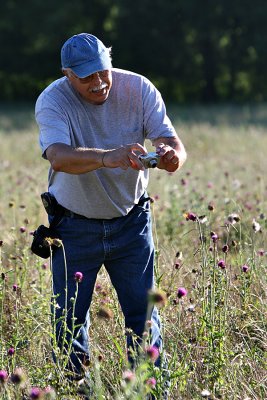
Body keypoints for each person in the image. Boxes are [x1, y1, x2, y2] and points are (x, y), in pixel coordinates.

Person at [35, 33, 187, 397]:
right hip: (73, 227)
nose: (100, 82)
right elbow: (58, 155)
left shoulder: (139, 88)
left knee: (144, 315)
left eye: (104, 71)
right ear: (67, 74)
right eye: (86, 76)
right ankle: (80, 391)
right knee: (69, 321)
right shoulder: (53, 100)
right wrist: (109, 156)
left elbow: (173, 142)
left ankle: (149, 392)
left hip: (132, 224)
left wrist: (169, 156)